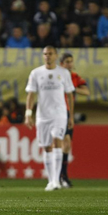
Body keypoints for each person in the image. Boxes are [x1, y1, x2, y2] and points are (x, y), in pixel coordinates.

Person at [24, 46, 75, 191]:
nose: (47, 56)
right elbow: (31, 94)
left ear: (56, 55)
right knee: (46, 147)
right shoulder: (36, 73)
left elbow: (70, 95)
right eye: (45, 54)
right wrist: (28, 114)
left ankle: (56, 180)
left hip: (59, 114)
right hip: (42, 115)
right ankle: (51, 180)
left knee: (56, 141)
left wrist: (70, 116)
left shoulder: (64, 73)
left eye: (50, 54)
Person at [59, 53, 90, 188]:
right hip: (57, 113)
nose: (70, 64)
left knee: (66, 145)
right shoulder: (56, 76)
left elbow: (86, 91)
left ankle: (62, 175)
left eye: (71, 61)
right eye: (67, 61)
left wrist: (72, 88)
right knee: (60, 145)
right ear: (61, 64)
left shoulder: (74, 77)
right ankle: (60, 176)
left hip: (68, 113)